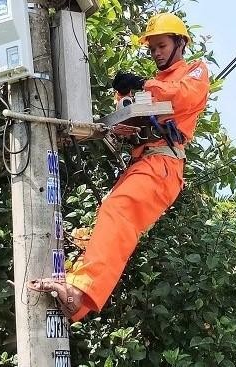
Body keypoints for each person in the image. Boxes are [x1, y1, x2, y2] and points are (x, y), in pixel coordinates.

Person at [28, 12, 210, 321]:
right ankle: (78, 297)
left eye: (162, 45)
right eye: (152, 49)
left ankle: (80, 293)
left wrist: (142, 84)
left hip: (163, 163)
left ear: (180, 42)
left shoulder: (193, 71)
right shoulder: (155, 84)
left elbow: (182, 98)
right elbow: (128, 119)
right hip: (144, 162)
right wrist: (124, 101)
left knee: (117, 211)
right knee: (108, 216)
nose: (156, 53)